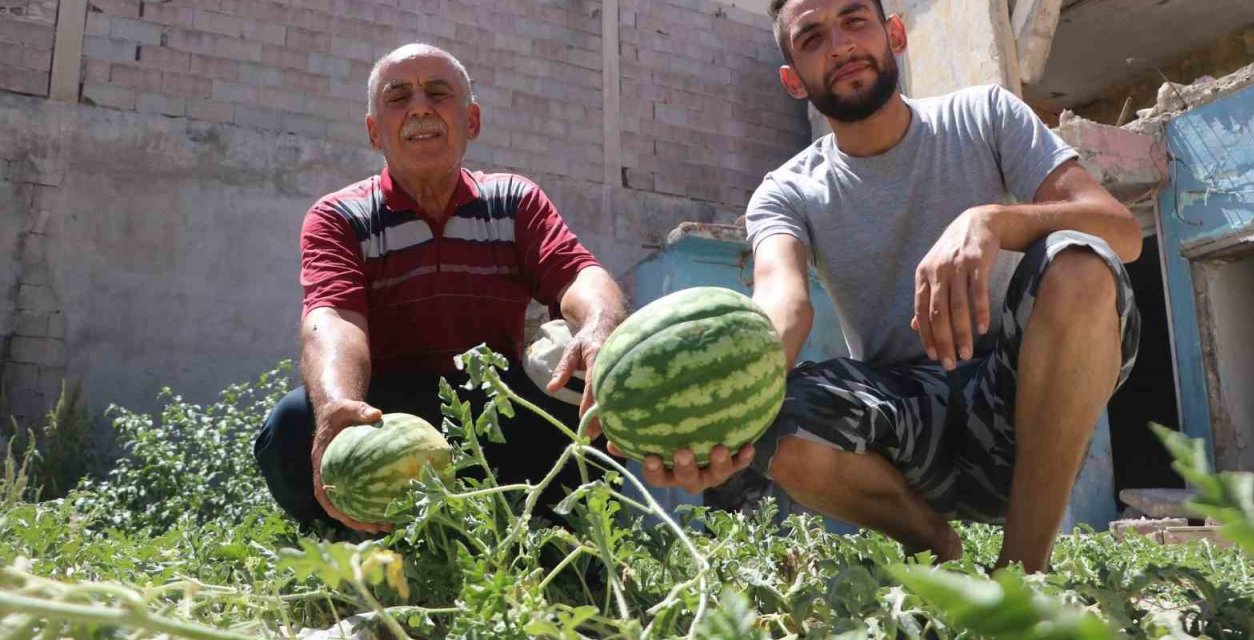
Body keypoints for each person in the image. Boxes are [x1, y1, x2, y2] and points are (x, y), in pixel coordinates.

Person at [630, 0, 1142, 573]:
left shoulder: (985, 115)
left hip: (1018, 402)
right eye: (812, 38)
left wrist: (993, 220)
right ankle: (934, 543)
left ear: (893, 33)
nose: (841, 46)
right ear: (792, 81)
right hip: (902, 426)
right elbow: (784, 307)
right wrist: (714, 422)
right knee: (776, 419)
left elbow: (1120, 230)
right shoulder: (785, 191)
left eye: (854, 21)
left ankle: (1023, 574)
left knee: (1079, 262)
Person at [254, 43, 626, 534]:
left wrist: (600, 328)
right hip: (388, 416)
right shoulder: (339, 216)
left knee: (592, 386)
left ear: (472, 120)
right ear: (374, 131)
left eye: (437, 92)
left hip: (497, 411)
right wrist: (338, 404)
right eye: (398, 96)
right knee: (292, 426)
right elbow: (335, 320)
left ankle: (566, 545)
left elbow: (580, 274)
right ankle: (363, 545)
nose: (420, 107)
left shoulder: (513, 200)